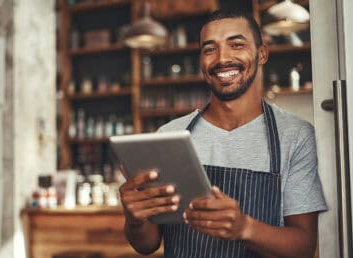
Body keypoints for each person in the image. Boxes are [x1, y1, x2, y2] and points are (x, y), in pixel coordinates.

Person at [119, 9, 327, 258]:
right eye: (209, 49)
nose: (222, 58)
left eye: (236, 44)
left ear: (262, 54)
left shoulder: (295, 136)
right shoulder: (170, 135)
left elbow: (304, 247)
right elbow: (147, 245)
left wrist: (245, 228)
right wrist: (135, 219)